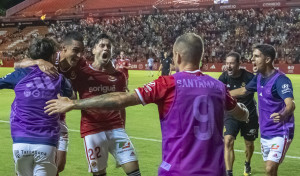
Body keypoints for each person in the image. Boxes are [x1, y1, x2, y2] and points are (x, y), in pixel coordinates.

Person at [45, 33, 249, 176]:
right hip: (215, 171)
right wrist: (246, 112)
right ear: (201, 56)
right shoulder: (219, 87)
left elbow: (122, 99)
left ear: (176, 56)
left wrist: (74, 104)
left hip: (177, 170)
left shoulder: (167, 83)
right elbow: (241, 114)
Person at [14, 31, 84, 175]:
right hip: (40, 121)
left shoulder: (80, 65)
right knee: (37, 165)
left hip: (60, 119)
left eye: (81, 52)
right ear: (64, 48)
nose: (79, 56)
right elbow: (17, 64)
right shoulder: (50, 58)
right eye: (76, 51)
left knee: (59, 165)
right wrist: (38, 61)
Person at [0, 38, 73, 176]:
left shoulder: (19, 75)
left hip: (20, 141)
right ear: (52, 56)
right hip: (46, 142)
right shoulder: (59, 78)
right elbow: (71, 96)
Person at [230, 44, 295, 176]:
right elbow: (243, 91)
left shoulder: (281, 80)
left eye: (256, 56)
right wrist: (221, 94)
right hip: (265, 131)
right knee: (271, 171)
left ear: (267, 59)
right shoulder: (259, 77)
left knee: (270, 168)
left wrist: (282, 114)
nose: (252, 59)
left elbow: (291, 104)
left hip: (281, 131)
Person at [218, 52, 259, 176]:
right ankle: (229, 172)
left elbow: (252, 90)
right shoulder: (224, 77)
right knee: (228, 140)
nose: (228, 66)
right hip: (231, 114)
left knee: (249, 144)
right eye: (227, 63)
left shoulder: (249, 77)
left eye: (231, 63)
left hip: (249, 115)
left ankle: (247, 162)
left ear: (238, 64)